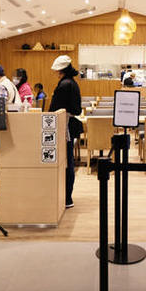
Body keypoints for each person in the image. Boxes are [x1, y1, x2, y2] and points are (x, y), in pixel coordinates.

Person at [49, 55, 82, 209]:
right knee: (68, 162)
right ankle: (67, 196)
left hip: (64, 126)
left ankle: (67, 197)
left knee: (66, 162)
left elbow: (54, 108)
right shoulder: (72, 83)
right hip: (69, 125)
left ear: (61, 70)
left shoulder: (64, 85)